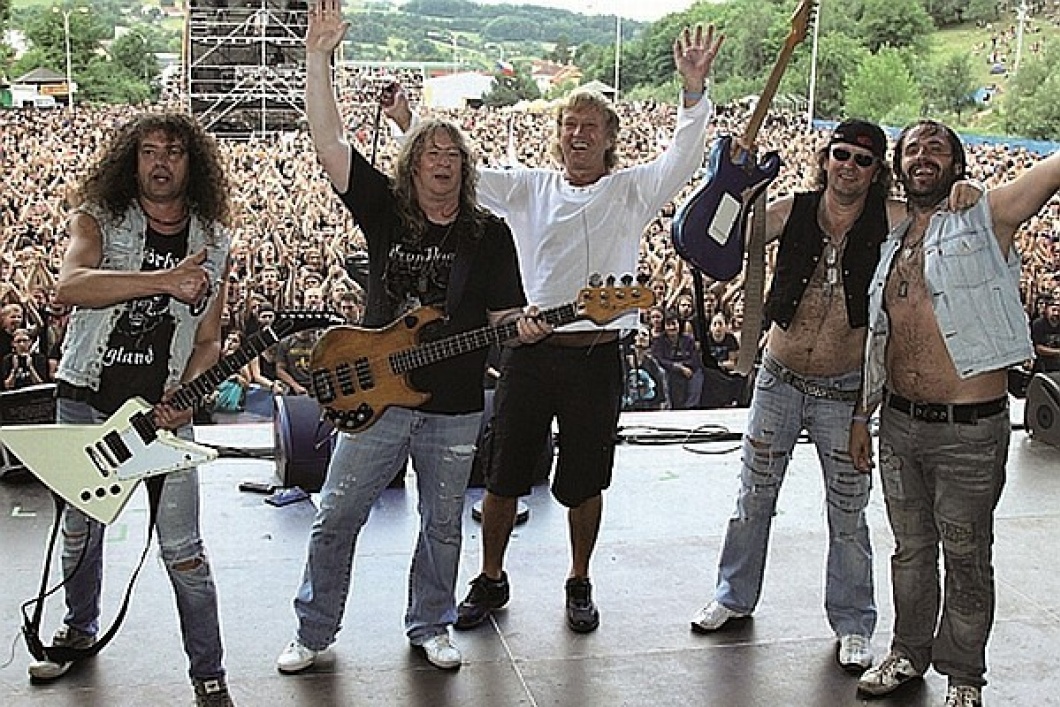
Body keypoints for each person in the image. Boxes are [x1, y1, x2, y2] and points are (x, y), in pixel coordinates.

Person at [386, 24, 724, 633]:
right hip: (528, 352)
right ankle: (491, 576)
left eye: (590, 126)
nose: (578, 134)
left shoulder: (631, 191)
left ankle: (579, 578)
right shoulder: (529, 188)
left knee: (585, 478)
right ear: (558, 135)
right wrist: (408, 122)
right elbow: (457, 172)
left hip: (596, 355)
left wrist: (693, 90)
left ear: (610, 138)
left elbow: (683, 158)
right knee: (503, 473)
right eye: (569, 124)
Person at [275, 0, 542, 674]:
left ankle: (431, 623)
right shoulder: (386, 212)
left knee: (444, 523)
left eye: (452, 154)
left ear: (465, 169)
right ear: (412, 165)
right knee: (337, 514)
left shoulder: (489, 235)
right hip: (376, 395)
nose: (442, 162)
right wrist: (317, 57)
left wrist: (525, 327)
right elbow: (330, 144)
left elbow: (503, 318)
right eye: (430, 152)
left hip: (454, 406)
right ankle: (313, 630)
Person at [689, 120, 982, 674]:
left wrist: (966, 191)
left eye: (863, 160)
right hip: (778, 379)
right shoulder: (790, 211)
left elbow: (944, 212)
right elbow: (715, 241)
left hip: (844, 392)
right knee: (753, 496)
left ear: (876, 172)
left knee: (848, 511)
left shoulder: (892, 217)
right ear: (825, 159)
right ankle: (732, 596)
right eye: (841, 155)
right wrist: (729, 185)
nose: (849, 166)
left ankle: (853, 623)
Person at [27, 112, 235, 707]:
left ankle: (209, 675)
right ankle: (78, 629)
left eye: (174, 152)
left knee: (184, 552)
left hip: (162, 415)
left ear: (193, 163)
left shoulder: (213, 240)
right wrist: (163, 281)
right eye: (149, 151)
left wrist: (186, 393)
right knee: (79, 534)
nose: (161, 162)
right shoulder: (99, 217)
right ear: (132, 160)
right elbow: (71, 285)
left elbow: (209, 339)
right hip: (86, 399)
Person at [851, 120, 1060, 707]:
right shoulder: (892, 235)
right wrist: (863, 416)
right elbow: (882, 337)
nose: (923, 156)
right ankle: (907, 653)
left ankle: (965, 676)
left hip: (968, 429)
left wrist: (979, 190)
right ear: (898, 166)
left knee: (966, 556)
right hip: (898, 424)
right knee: (910, 551)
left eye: (936, 148)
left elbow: (1051, 173)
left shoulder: (986, 216)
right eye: (912, 148)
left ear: (957, 164)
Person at [652, 310, 704, 409]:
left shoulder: (688, 340)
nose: (672, 327)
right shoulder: (659, 341)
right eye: (668, 325)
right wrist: (678, 367)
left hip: (688, 368)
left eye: (674, 324)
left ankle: (691, 406)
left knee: (698, 373)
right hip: (669, 370)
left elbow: (695, 358)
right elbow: (660, 360)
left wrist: (684, 366)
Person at [1030, 297, 1060, 372]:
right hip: (1043, 366)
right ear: (1046, 310)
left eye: (1059, 311)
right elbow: (1039, 348)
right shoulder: (1038, 324)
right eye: (1053, 310)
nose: (1056, 313)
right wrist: (1057, 352)